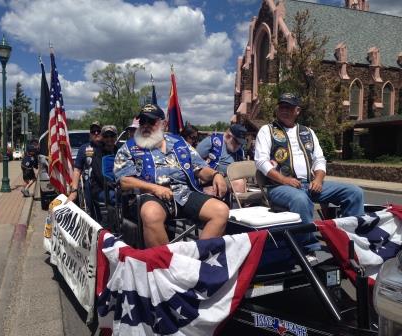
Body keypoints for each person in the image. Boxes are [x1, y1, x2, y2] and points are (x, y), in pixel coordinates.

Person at [254, 92, 364, 252]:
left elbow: (319, 159)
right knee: (301, 199)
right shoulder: (267, 130)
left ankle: (351, 240)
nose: (284, 110)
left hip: (308, 184)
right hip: (278, 187)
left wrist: (318, 180)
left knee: (355, 192)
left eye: (289, 108)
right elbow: (261, 162)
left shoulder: (308, 132)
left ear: (297, 111)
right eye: (282, 107)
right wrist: (285, 180)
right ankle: (308, 247)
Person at [114, 103, 229, 248]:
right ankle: (166, 265)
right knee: (151, 214)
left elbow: (200, 169)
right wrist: (155, 188)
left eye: (151, 121)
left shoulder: (180, 143)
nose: (146, 125)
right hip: (149, 195)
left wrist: (216, 174)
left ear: (164, 124)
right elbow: (124, 181)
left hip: (184, 193)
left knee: (221, 211)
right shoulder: (129, 147)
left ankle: (198, 260)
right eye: (142, 121)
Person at [196, 124, 247, 193]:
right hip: (208, 180)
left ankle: (238, 203)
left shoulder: (240, 151)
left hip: (227, 180)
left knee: (240, 182)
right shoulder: (212, 141)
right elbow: (194, 160)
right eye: (237, 142)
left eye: (241, 143)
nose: (239, 146)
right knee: (238, 183)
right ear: (228, 136)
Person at [67, 122, 103, 219]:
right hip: (90, 186)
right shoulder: (84, 148)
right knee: (93, 215)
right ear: (90, 134)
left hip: (106, 185)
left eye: (98, 131)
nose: (96, 133)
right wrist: (74, 191)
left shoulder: (108, 146)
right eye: (93, 131)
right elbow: (77, 169)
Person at [90, 125, 118, 206]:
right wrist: (116, 186)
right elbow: (101, 176)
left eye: (112, 136)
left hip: (119, 186)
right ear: (102, 137)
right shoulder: (97, 154)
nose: (109, 139)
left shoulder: (120, 152)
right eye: (106, 136)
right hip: (102, 189)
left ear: (116, 137)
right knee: (116, 197)